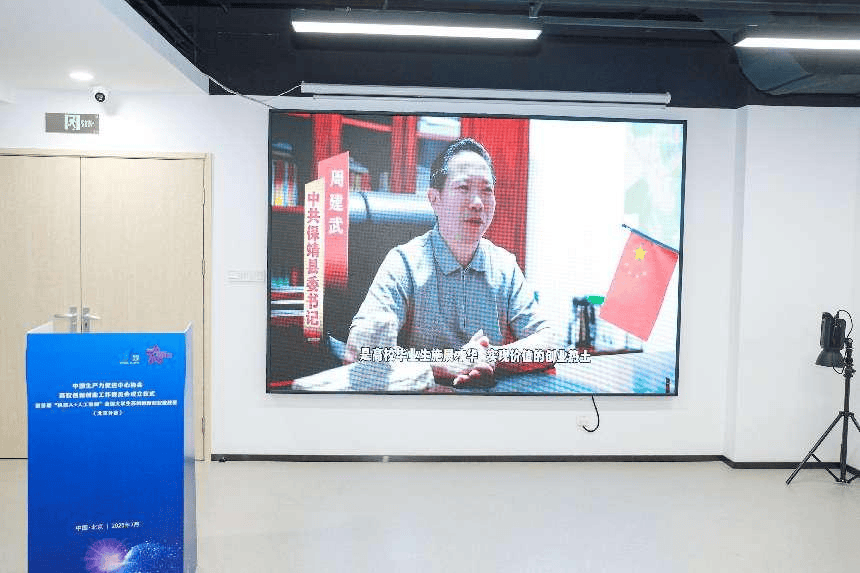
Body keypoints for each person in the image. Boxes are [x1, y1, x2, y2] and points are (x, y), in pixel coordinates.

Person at [345, 138, 557, 386]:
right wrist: (446, 364)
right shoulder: (404, 263)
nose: (477, 203)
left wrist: (490, 356)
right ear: (435, 199)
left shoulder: (505, 266)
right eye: (463, 188)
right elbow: (359, 351)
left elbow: (549, 341)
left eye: (487, 190)